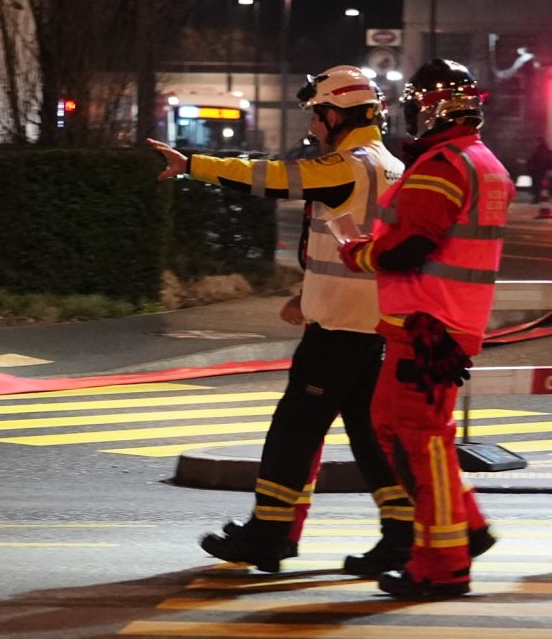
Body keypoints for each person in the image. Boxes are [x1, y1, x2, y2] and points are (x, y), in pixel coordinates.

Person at [149, 67, 415, 574]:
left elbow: (273, 177)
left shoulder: (347, 164)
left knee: (294, 429)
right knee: (366, 434)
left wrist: (192, 165)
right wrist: (305, 292)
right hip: (371, 326)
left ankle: (269, 534)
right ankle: (401, 534)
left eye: (318, 115)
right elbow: (352, 242)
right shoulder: (391, 165)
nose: (314, 126)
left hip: (337, 329)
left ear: (337, 114)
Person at [336, 59, 511, 598]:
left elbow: (410, 245)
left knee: (417, 441)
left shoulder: (442, 165)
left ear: (429, 108)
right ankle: (469, 530)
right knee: (396, 424)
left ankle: (442, 563)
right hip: (444, 321)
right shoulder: (482, 161)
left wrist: (359, 255)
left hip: (426, 324)